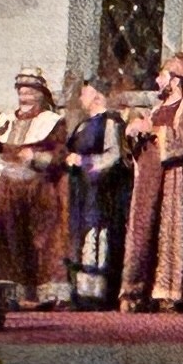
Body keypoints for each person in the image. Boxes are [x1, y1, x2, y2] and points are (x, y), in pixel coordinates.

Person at [119, 56, 183, 312]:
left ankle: (173, 292)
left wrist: (152, 130)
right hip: (152, 178)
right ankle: (141, 289)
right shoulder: (158, 107)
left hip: (179, 177)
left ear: (175, 79)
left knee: (174, 230)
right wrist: (135, 134)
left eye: (162, 75)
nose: (157, 80)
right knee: (146, 228)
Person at [0, 68, 70, 301]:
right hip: (8, 185)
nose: (24, 93)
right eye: (21, 89)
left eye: (30, 89)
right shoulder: (5, 120)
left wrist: (35, 158)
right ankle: (11, 291)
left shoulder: (52, 122)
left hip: (38, 186)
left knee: (40, 239)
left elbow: (60, 155)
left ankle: (44, 294)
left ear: (41, 93)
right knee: (9, 238)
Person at [63, 76, 129, 306]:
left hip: (101, 193)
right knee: (80, 236)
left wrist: (83, 161)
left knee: (97, 237)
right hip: (81, 190)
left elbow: (114, 156)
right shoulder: (83, 124)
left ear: (97, 95)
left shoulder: (110, 123)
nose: (81, 97)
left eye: (85, 92)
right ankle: (80, 293)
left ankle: (97, 294)